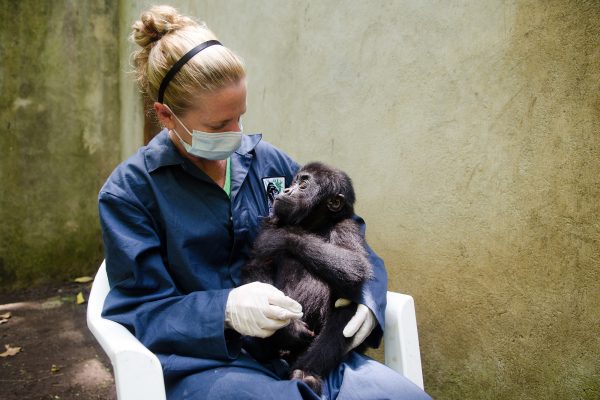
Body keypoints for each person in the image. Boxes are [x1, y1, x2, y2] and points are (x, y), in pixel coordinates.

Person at [98, 5, 431, 400]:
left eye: (240, 116)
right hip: (208, 362)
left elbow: (345, 229)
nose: (238, 135)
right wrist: (225, 309)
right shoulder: (131, 193)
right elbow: (139, 311)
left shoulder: (268, 161)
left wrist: (369, 301)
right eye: (220, 125)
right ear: (167, 116)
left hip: (304, 351)